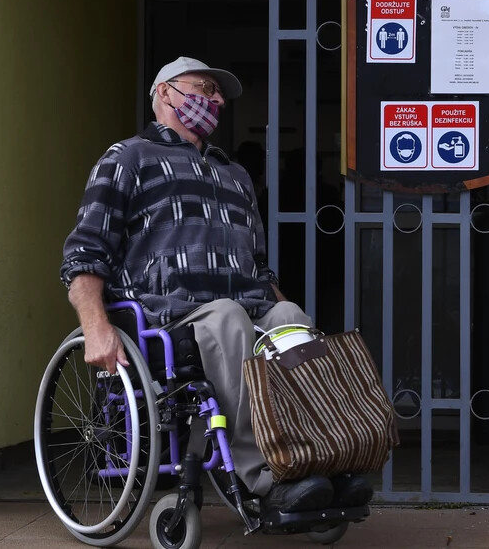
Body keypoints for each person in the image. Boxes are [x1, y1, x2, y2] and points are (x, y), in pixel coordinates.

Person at [60, 56, 371, 513]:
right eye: (205, 89)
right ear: (166, 92)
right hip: (167, 316)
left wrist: (292, 320)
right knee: (226, 318)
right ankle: (262, 475)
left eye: (218, 94)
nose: (217, 100)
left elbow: (259, 268)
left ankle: (320, 460)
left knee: (289, 320)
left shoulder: (234, 175)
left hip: (245, 306)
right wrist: (95, 327)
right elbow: (84, 253)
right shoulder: (128, 158)